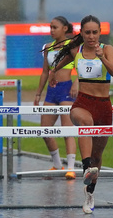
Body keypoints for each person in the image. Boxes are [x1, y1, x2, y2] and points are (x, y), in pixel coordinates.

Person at [58, 16, 113, 214]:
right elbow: (58, 63)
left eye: (95, 32)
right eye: (87, 32)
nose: (91, 36)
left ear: (100, 33)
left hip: (103, 105)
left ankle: (89, 192)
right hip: (83, 103)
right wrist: (52, 74)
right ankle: (85, 167)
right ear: (82, 33)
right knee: (84, 122)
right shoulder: (77, 50)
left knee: (98, 156)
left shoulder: (107, 49)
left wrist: (102, 57)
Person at [34, 16, 79, 177]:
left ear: (65, 29)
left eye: (55, 27)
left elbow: (82, 65)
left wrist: (76, 83)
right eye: (50, 27)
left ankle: (71, 168)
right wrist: (39, 93)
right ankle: (57, 164)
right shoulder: (47, 47)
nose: (51, 30)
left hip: (67, 89)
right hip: (51, 92)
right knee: (45, 130)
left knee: (67, 130)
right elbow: (45, 72)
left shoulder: (72, 45)